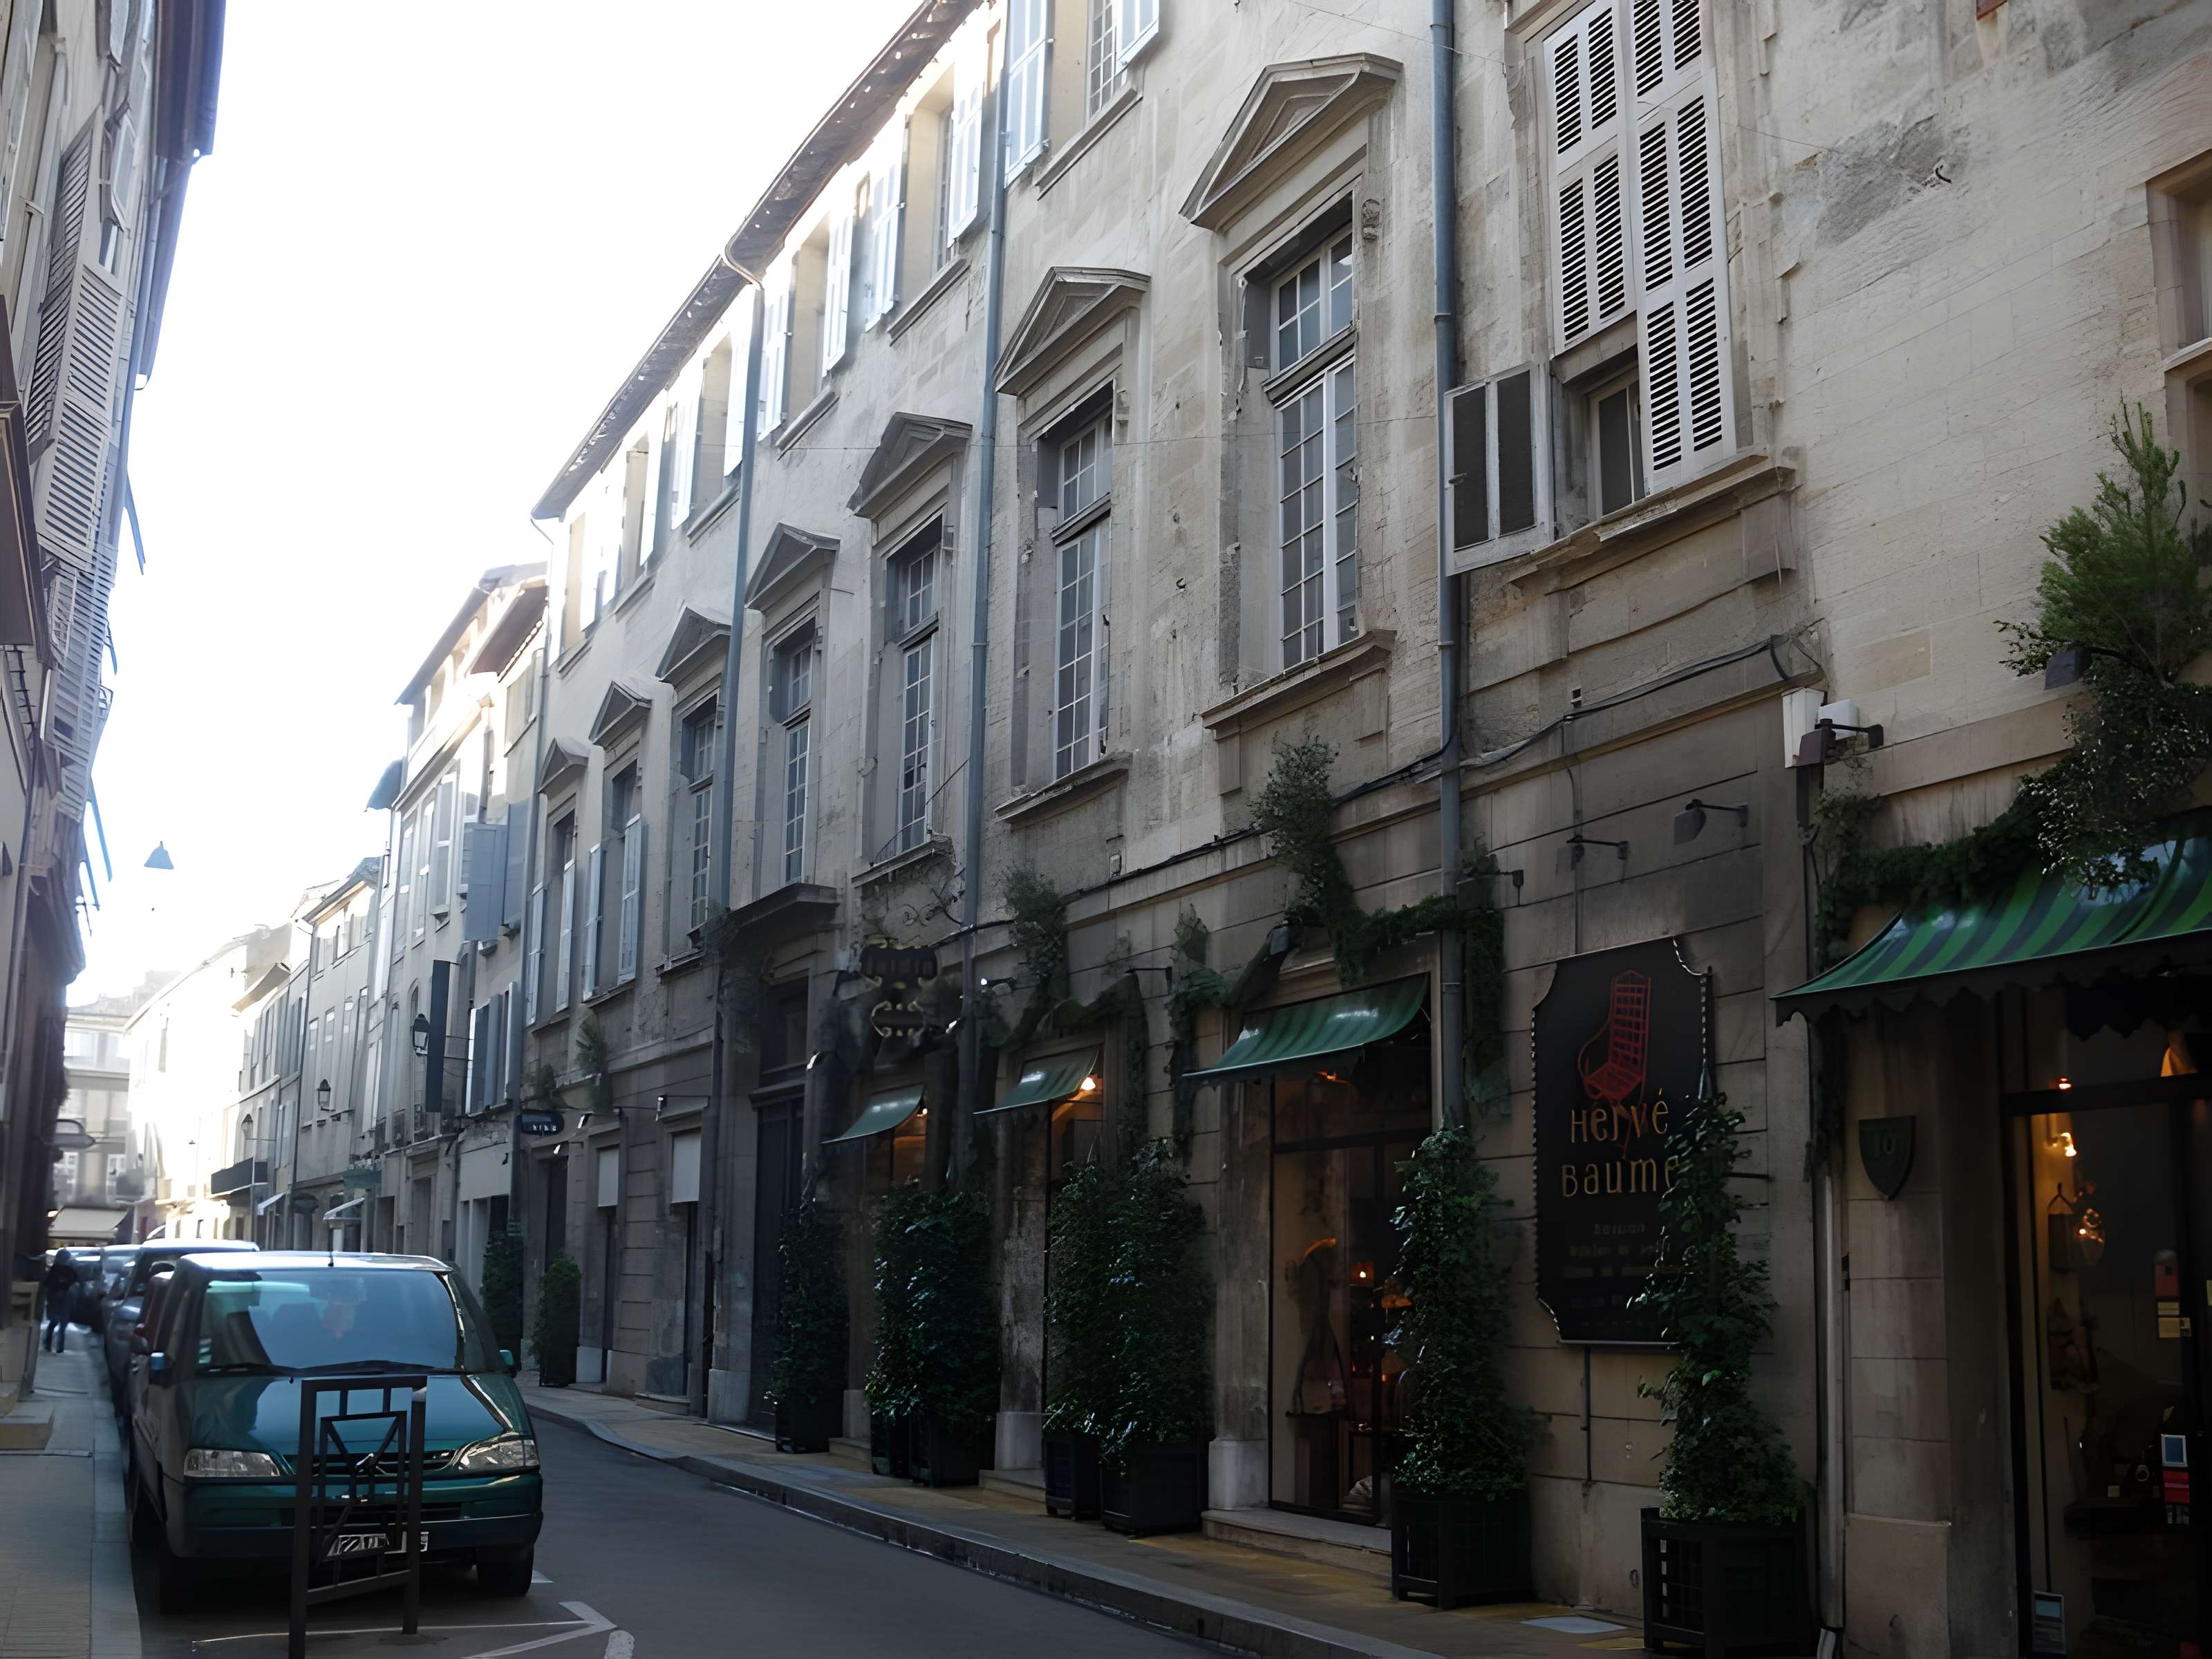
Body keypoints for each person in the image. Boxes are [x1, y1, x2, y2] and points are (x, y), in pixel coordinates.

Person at [41, 1250, 77, 1353]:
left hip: (55, 1297)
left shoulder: (53, 1270)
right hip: (65, 1297)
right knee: (63, 1324)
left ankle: (48, 1344)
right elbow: (75, 1282)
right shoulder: (70, 1270)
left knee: (54, 1321)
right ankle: (60, 1348)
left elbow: (47, 1284)